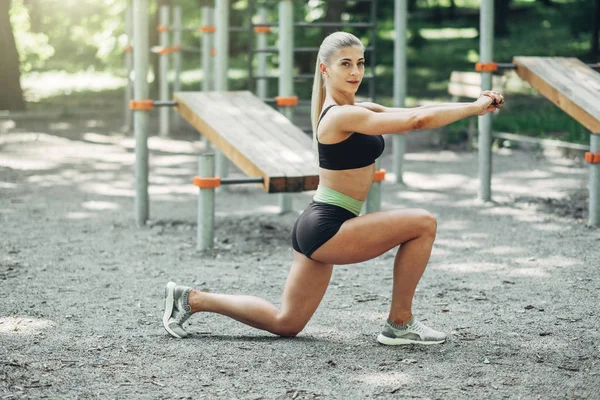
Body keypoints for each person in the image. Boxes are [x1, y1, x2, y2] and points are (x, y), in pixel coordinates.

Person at [162, 32, 503, 345]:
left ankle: (190, 299)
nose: (355, 72)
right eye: (345, 64)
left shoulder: (359, 108)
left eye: (360, 63)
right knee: (423, 222)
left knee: (287, 323)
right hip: (328, 226)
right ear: (325, 69)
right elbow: (416, 123)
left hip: (318, 224)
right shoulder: (338, 117)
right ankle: (400, 324)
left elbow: (416, 111)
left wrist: (473, 105)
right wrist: (474, 108)